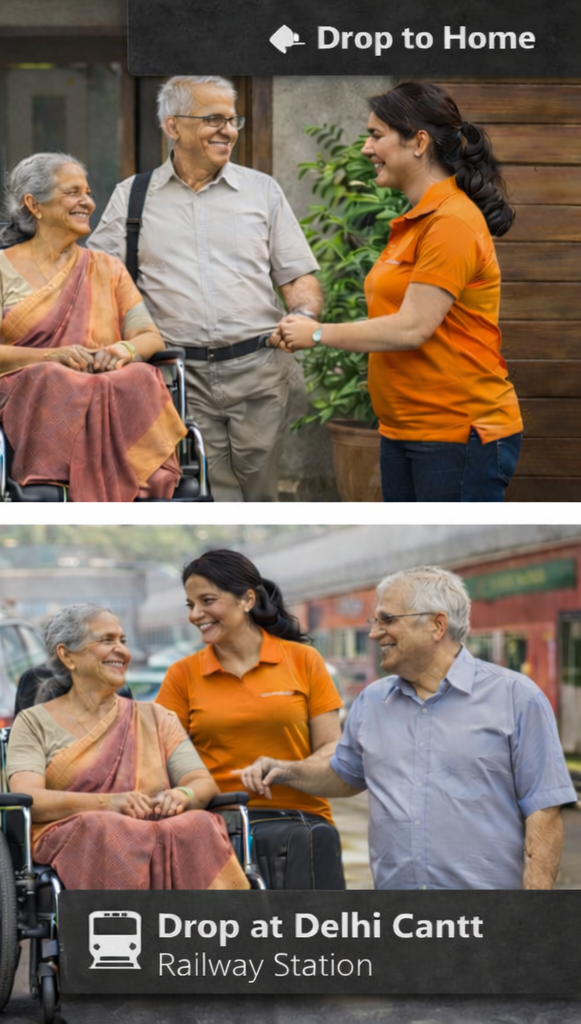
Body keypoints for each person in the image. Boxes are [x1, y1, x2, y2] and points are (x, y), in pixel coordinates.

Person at [240, 566, 576, 889]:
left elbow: (544, 810)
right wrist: (284, 770)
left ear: (437, 625)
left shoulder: (517, 697)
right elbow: (344, 775)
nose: (374, 633)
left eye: (387, 620)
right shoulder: (372, 702)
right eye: (375, 621)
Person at [273, 82, 522, 502]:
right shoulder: (416, 222)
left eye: (376, 135)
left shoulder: (452, 223)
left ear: (418, 142)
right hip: (404, 430)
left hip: (458, 433)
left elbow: (411, 328)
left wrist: (316, 334)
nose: (367, 150)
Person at [88, 75, 324, 502]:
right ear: (173, 126)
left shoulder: (261, 190)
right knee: (213, 495)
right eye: (214, 119)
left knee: (261, 493)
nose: (229, 131)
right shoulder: (133, 197)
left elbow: (297, 277)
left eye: (233, 120)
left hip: (259, 370)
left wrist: (303, 316)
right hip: (177, 376)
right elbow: (99, 281)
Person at [0, 152, 185, 501]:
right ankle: (53, 477)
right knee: (53, 376)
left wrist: (122, 350)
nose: (88, 202)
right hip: (29, 382)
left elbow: (149, 338)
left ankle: (142, 476)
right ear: (34, 205)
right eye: (73, 192)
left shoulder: (107, 268)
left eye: (88, 192)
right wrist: (53, 356)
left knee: (141, 376)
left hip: (101, 377)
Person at [5, 604, 249, 890]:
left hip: (153, 825)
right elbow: (27, 796)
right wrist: (110, 803)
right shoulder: (33, 722)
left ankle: (213, 926)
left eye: (122, 640)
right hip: (78, 833)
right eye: (106, 640)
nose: (121, 650)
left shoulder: (156, 718)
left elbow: (201, 783)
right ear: (67, 655)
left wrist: (183, 793)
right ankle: (123, 927)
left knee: (200, 823)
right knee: (105, 827)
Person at [157, 550, 345, 887]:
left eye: (207, 601)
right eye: (190, 605)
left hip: (300, 825)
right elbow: (160, 761)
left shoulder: (303, 660)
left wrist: (285, 770)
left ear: (247, 599)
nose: (196, 614)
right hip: (214, 828)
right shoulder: (181, 675)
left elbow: (333, 752)